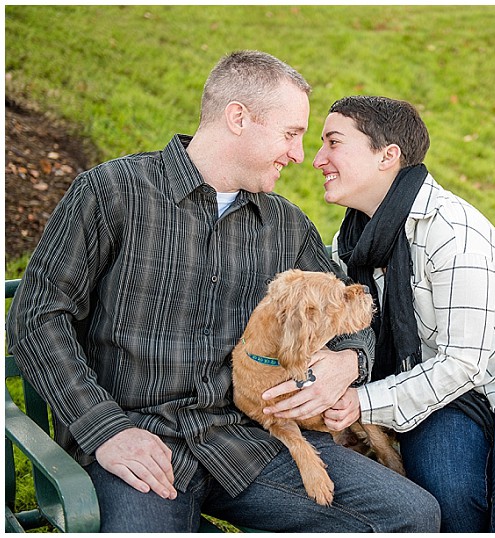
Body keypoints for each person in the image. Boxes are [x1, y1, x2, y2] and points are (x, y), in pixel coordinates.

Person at [6, 52, 439, 533]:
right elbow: (37, 318)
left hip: (246, 442)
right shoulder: (112, 193)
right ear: (238, 118)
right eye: (291, 133)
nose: (300, 155)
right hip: (136, 446)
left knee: (412, 516)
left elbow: (349, 314)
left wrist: (348, 360)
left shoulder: (285, 225)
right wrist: (105, 431)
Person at [262, 95, 495, 532]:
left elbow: (463, 362)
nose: (317, 158)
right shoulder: (355, 236)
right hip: (444, 393)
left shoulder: (452, 231)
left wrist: (361, 401)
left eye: (333, 143)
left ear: (388, 156)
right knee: (449, 503)